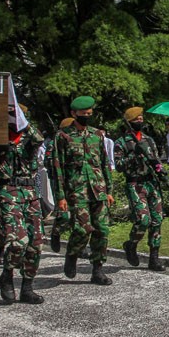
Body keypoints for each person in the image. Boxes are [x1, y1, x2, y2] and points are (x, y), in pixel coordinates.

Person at [52, 96, 115, 285]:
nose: (87, 116)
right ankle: (72, 254)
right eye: (83, 114)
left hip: (98, 190)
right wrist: (60, 197)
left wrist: (109, 190)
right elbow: (58, 168)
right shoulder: (63, 136)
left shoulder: (97, 135)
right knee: (82, 229)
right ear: (74, 114)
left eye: (89, 114)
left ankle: (98, 270)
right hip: (76, 191)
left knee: (102, 230)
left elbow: (105, 164)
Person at [0, 103, 45, 304]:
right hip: (9, 192)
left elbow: (39, 138)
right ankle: (7, 274)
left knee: (36, 243)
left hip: (30, 192)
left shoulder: (28, 138)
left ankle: (27, 287)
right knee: (18, 241)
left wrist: (21, 119)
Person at [114, 106, 165, 271]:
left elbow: (156, 160)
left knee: (157, 220)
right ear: (129, 122)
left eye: (142, 118)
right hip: (135, 184)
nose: (140, 121)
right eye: (137, 119)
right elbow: (119, 166)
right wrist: (134, 154)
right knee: (143, 220)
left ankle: (154, 259)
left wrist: (161, 171)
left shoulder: (148, 139)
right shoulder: (121, 142)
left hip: (152, 183)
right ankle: (131, 244)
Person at [46, 117, 75, 252]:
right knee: (64, 214)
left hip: (77, 183)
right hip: (60, 181)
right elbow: (49, 162)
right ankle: (56, 232)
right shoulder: (54, 144)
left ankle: (77, 246)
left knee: (79, 216)